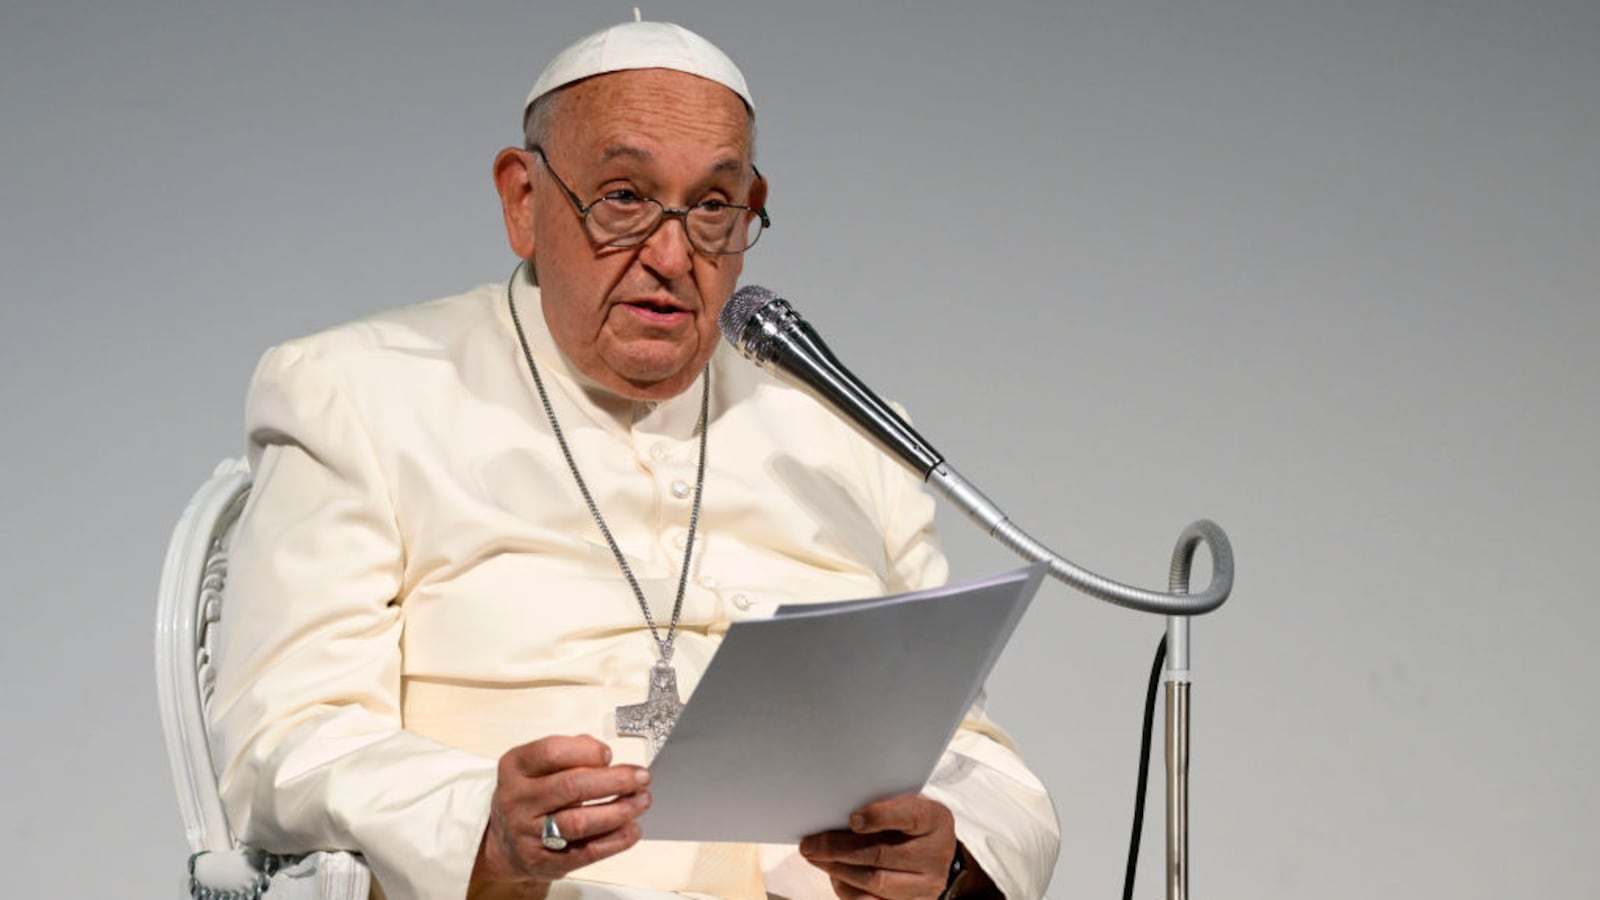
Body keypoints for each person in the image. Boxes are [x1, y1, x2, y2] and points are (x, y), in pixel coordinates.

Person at [210, 18, 1059, 900]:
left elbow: (977, 759)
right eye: (623, 197)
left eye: (714, 208)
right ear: (523, 198)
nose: (670, 254)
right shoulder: (356, 391)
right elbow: (285, 740)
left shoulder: (845, 432)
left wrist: (950, 860)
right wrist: (482, 829)